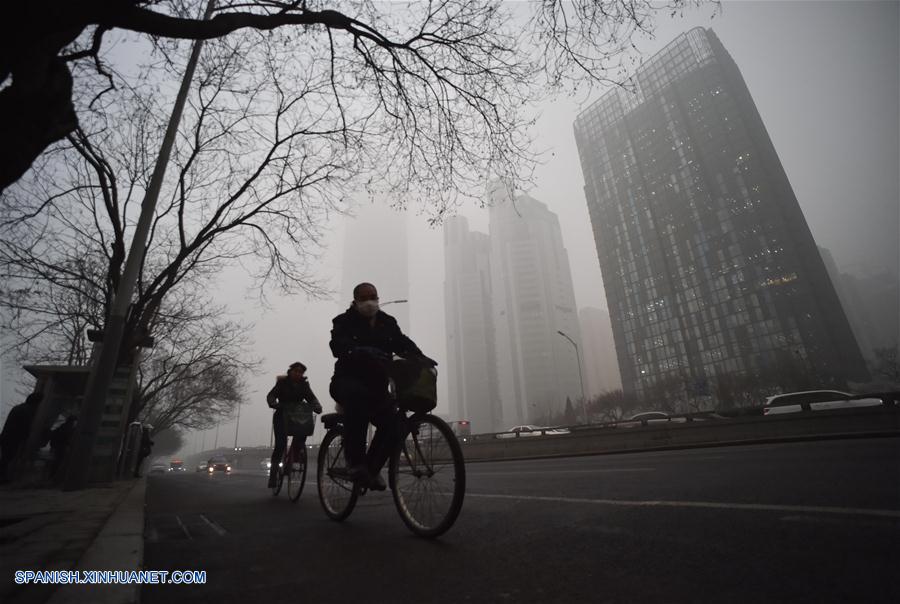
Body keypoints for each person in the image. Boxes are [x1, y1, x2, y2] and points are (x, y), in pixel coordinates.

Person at [329, 282, 437, 490]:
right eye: (364, 298)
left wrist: (420, 356)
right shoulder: (343, 321)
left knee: (395, 423)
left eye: (373, 297)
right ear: (355, 300)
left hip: (377, 387)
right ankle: (356, 463)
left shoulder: (387, 322)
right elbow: (337, 345)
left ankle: (371, 469)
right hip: (347, 381)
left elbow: (401, 342)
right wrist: (359, 350)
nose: (370, 302)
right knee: (357, 401)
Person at [266, 361, 322, 488]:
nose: (298, 374)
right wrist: (273, 403)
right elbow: (271, 395)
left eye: (300, 372)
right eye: (296, 371)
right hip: (281, 415)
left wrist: (317, 406)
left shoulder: (304, 385)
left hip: (297, 417)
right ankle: (273, 475)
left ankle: (293, 460)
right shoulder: (281, 383)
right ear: (290, 372)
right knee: (280, 444)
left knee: (302, 436)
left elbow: (311, 398)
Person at [0, 392, 45, 483]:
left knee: (6, 458)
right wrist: (26, 438)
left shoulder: (18, 408)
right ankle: (3, 477)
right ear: (36, 402)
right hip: (12, 438)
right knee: (7, 458)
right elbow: (25, 427)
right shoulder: (27, 410)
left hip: (7, 437)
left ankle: (3, 477)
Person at [48, 415, 77, 479]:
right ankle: (54, 477)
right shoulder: (68, 428)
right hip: (62, 447)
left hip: (58, 447)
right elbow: (68, 438)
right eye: (75, 421)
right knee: (59, 463)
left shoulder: (62, 427)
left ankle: (52, 476)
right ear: (73, 421)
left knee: (56, 462)